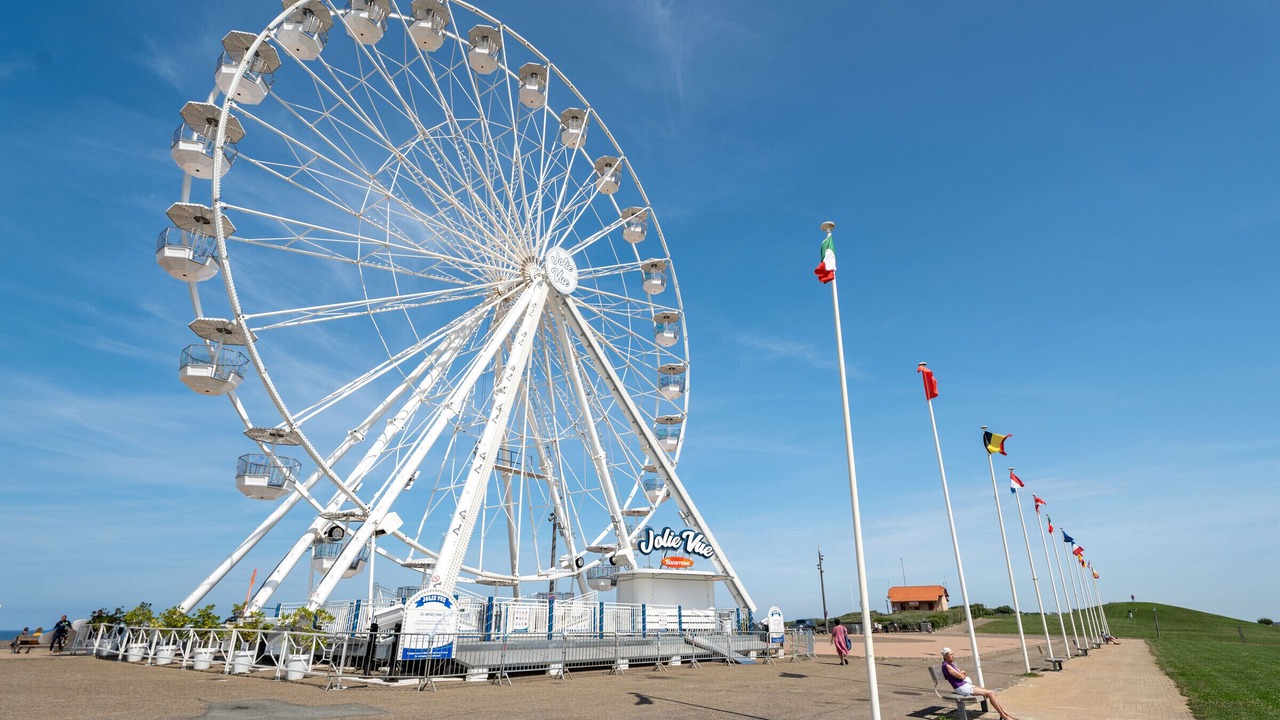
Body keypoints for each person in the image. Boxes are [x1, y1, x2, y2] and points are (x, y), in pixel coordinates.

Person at [941, 648, 1021, 720]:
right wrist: (961, 673)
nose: (953, 656)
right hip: (961, 688)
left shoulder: (951, 665)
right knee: (990, 693)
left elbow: (963, 675)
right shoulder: (946, 666)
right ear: (945, 656)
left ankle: (1005, 714)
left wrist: (961, 673)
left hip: (966, 685)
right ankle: (1004, 716)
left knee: (990, 692)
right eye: (951, 654)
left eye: (953, 654)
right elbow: (961, 677)